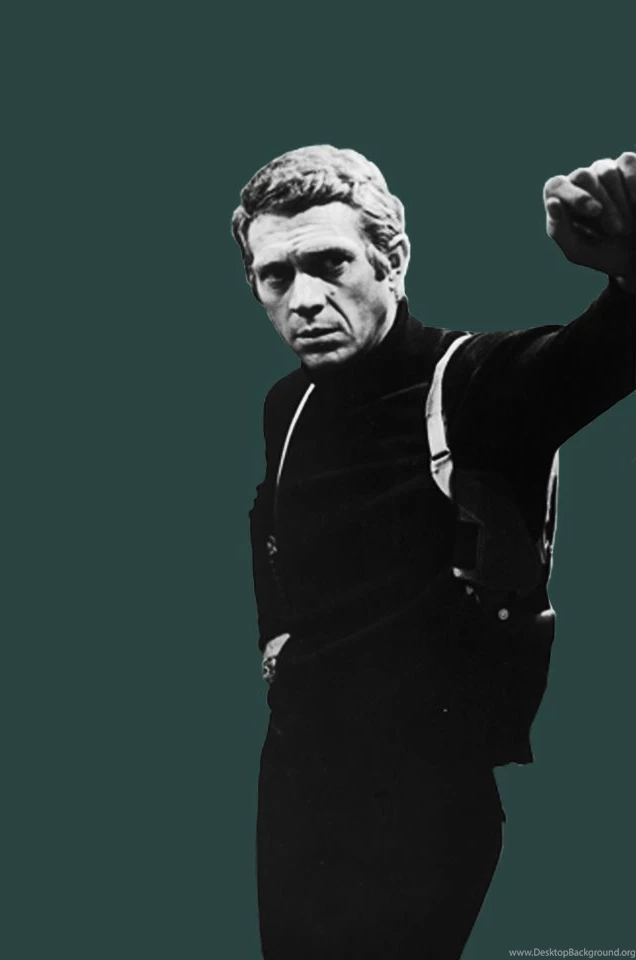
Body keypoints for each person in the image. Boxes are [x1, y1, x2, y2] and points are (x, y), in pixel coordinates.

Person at [232, 146, 635, 960]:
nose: (304, 299)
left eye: (330, 263)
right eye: (276, 276)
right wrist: (276, 639)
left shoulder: (475, 384)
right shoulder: (290, 402)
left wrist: (630, 275)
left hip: (423, 800)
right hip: (296, 781)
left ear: (392, 260)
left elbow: (598, 356)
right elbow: (267, 515)